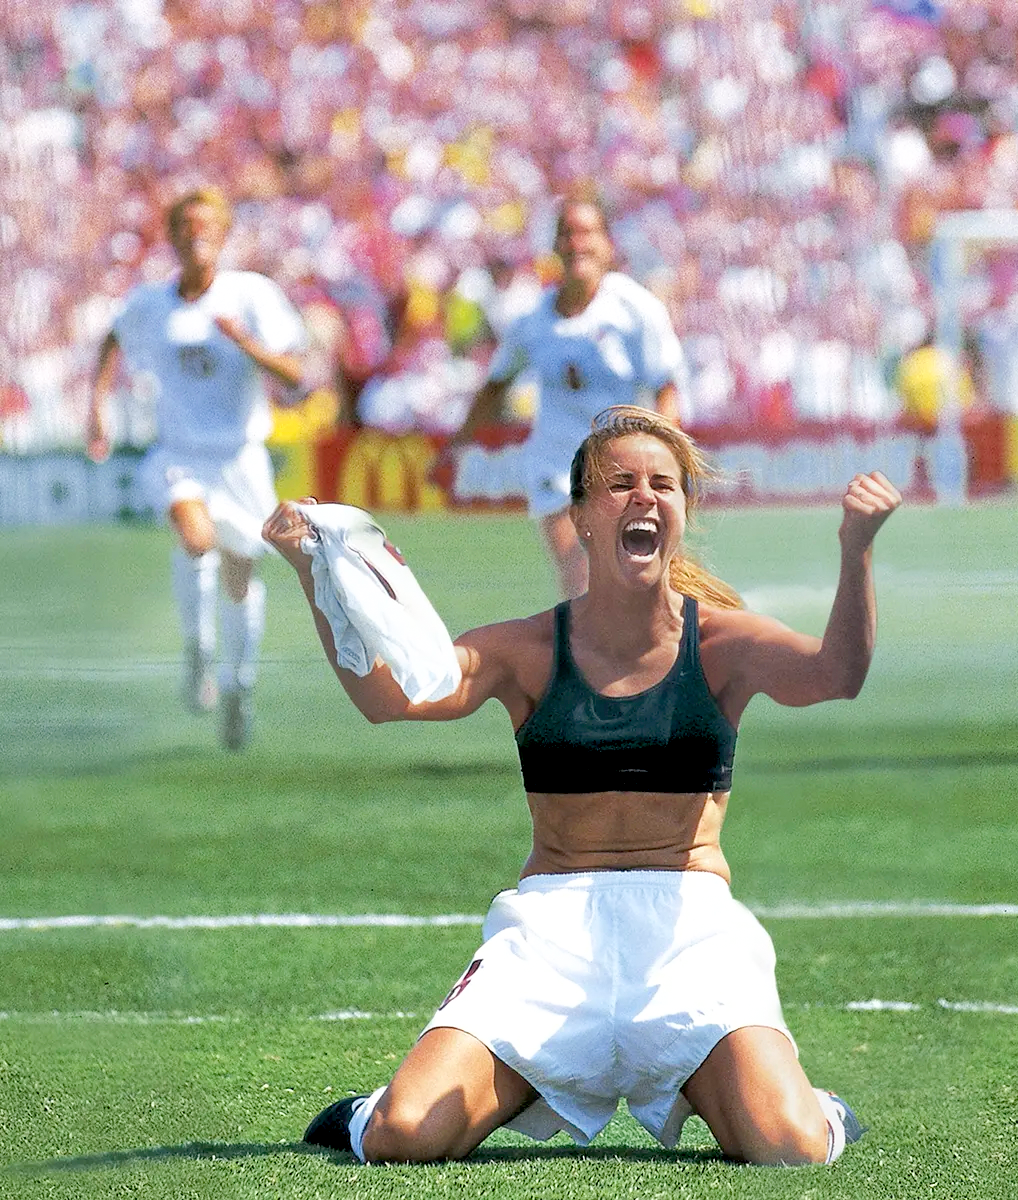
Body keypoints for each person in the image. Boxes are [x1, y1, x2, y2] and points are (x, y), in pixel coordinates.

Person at [264, 404, 902, 1166]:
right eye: (620, 484)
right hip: (550, 938)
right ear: (581, 518)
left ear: (683, 510)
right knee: (404, 1136)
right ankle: (437, 1093)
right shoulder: (527, 648)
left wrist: (855, 547)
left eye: (662, 484)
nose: (644, 497)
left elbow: (837, 673)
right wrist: (312, 571)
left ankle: (811, 1103)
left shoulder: (727, 643)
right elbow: (388, 699)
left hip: (688, 934)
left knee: (791, 1144)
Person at [86, 186, 308, 750]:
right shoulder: (151, 303)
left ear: (224, 233)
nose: (195, 234)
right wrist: (97, 408)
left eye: (207, 225)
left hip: (240, 459)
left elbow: (294, 374)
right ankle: (198, 650)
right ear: (172, 236)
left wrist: (246, 342)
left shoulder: (251, 295)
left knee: (240, 575)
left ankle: (240, 684)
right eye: (184, 225)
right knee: (195, 537)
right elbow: (113, 340)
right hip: (180, 454)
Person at [439, 184, 687, 599]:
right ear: (554, 246)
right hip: (557, 468)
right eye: (566, 234)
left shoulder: (635, 311)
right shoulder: (533, 320)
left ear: (607, 244)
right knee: (580, 573)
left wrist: (665, 462)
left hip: (623, 468)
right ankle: (590, 660)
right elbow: (495, 387)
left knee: (644, 582)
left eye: (586, 233)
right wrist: (458, 445)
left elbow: (666, 388)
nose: (576, 244)